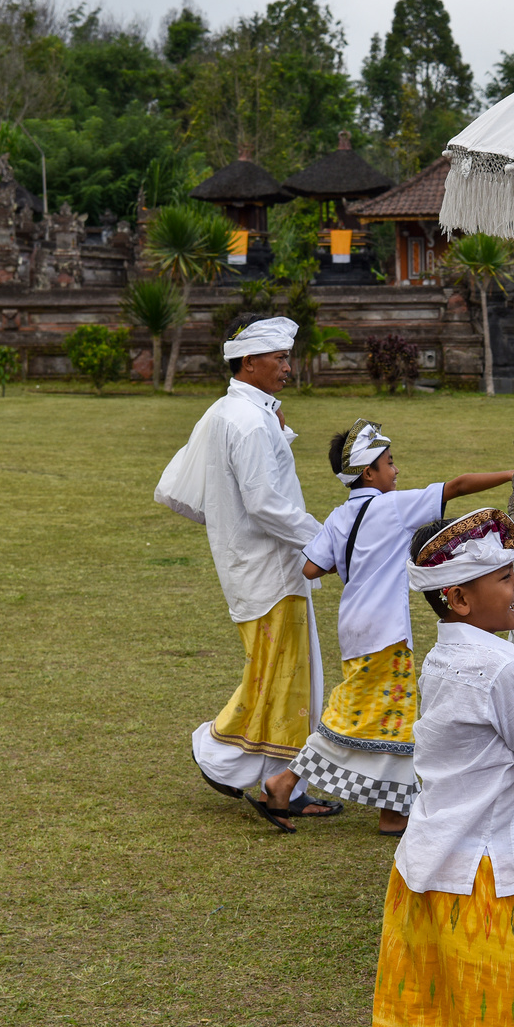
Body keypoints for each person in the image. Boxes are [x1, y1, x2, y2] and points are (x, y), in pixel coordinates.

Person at [372, 507, 514, 1027]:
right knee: (493, 1017)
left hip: (429, 863)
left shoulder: (442, 658)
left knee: (438, 1016)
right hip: (481, 877)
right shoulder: (495, 667)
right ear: (459, 598)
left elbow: (497, 730)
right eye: (504, 577)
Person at [154, 316, 339, 832]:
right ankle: (217, 750)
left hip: (252, 566)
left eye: (287, 357)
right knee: (280, 680)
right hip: (270, 571)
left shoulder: (229, 413)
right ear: (248, 362)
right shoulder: (249, 421)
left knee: (289, 681)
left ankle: (287, 786)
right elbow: (267, 504)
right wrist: (328, 540)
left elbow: (180, 491)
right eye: (279, 359)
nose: (288, 367)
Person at [289, 418, 513, 834]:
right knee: (363, 712)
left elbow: (310, 566)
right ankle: (285, 782)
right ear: (369, 472)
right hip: (385, 629)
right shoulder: (392, 507)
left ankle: (394, 812)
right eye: (390, 463)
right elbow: (458, 485)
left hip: (353, 625)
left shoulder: (339, 516)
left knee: (393, 715)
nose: (396, 470)